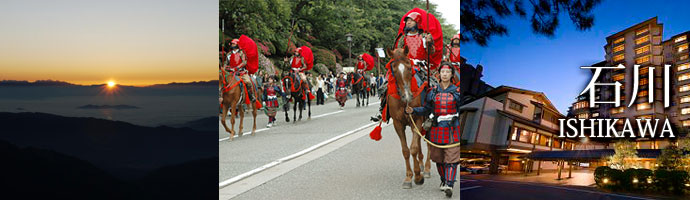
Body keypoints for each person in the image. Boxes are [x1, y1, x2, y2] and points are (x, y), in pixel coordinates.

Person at [405, 62, 460, 198]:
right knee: (438, 157)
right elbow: (426, 109)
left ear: (452, 74)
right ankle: (443, 180)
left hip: (452, 128)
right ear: (439, 74)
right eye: (442, 72)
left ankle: (450, 184)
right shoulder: (432, 91)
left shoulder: (458, 92)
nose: (445, 74)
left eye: (447, 72)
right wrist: (413, 110)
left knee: (452, 157)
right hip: (436, 128)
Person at [371, 11, 438, 122]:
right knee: (386, 85)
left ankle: (432, 112)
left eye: (410, 21)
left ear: (417, 22)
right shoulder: (402, 38)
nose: (408, 23)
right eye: (407, 21)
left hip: (420, 66)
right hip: (404, 64)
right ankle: (382, 109)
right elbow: (397, 52)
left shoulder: (424, 37)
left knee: (434, 86)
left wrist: (430, 43)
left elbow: (431, 52)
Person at [226, 38, 259, 104]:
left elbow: (244, 62)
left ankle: (251, 95)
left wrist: (237, 68)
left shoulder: (242, 52)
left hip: (241, 72)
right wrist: (226, 67)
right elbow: (226, 63)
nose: (232, 45)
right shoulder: (229, 54)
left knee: (248, 81)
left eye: (234, 44)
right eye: (232, 44)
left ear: (237, 44)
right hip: (231, 72)